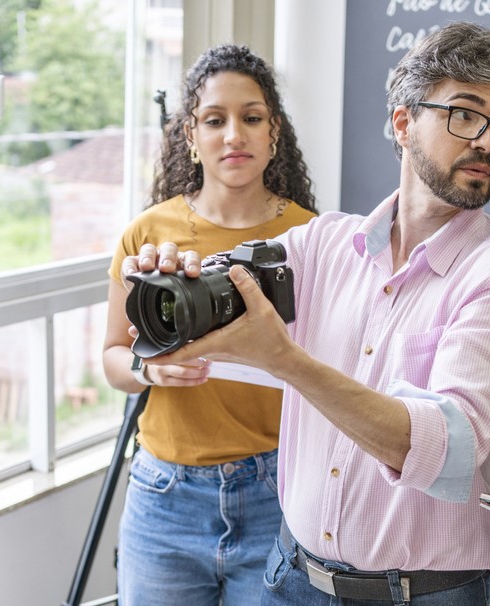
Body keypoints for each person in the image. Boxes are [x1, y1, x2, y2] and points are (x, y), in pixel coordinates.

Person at [120, 21, 490, 606]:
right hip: (292, 576)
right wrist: (173, 275)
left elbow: (447, 452)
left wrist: (290, 362)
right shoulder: (322, 244)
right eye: (466, 114)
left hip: (420, 594)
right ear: (403, 123)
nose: (488, 142)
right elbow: (220, 300)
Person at [102, 44, 317, 606]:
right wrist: (149, 369)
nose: (234, 135)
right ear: (190, 137)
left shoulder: (313, 238)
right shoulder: (148, 234)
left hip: (279, 488)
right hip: (163, 497)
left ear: (274, 132)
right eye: (214, 120)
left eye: (251, 118)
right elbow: (111, 360)